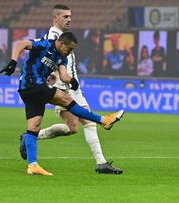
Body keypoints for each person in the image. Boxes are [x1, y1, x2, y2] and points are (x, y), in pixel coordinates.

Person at [0, 31, 124, 176]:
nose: (70, 52)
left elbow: (64, 76)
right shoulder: (45, 44)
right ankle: (103, 120)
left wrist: (72, 81)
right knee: (66, 100)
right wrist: (14, 61)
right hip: (32, 83)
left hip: (31, 91)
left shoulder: (61, 58)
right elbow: (21, 44)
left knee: (34, 126)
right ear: (61, 43)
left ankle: (32, 165)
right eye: (69, 49)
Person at [38, 4, 123, 174]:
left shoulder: (63, 36)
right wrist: (62, 82)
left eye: (70, 16)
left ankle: (31, 136)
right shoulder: (53, 37)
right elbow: (50, 61)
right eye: (65, 16)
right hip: (64, 88)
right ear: (55, 18)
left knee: (72, 128)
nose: (69, 19)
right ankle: (101, 162)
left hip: (70, 87)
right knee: (88, 122)